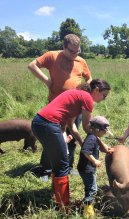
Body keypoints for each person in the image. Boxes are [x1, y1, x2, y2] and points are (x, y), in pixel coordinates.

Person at [31, 79, 111, 211]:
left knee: (58, 163)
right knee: (63, 165)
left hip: (39, 122)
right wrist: (102, 145)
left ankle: (58, 200)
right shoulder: (87, 98)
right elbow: (87, 128)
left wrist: (82, 143)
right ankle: (65, 207)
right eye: (104, 95)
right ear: (96, 90)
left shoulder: (77, 94)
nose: (104, 99)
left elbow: (72, 126)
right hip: (49, 124)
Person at [28, 33, 92, 178]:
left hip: (75, 107)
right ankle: (46, 169)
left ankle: (67, 166)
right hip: (56, 107)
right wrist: (46, 81)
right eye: (72, 51)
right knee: (52, 139)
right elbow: (32, 65)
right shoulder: (52, 56)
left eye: (78, 51)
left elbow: (89, 78)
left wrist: (85, 90)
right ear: (63, 47)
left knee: (71, 137)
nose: (75, 54)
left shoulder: (81, 61)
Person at [77, 116, 112, 218]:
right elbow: (86, 151)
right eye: (104, 131)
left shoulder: (94, 136)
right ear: (97, 129)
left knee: (90, 187)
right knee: (93, 190)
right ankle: (87, 212)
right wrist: (95, 160)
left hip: (87, 168)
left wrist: (106, 148)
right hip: (87, 168)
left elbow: (96, 148)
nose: (105, 133)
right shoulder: (92, 138)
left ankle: (85, 203)